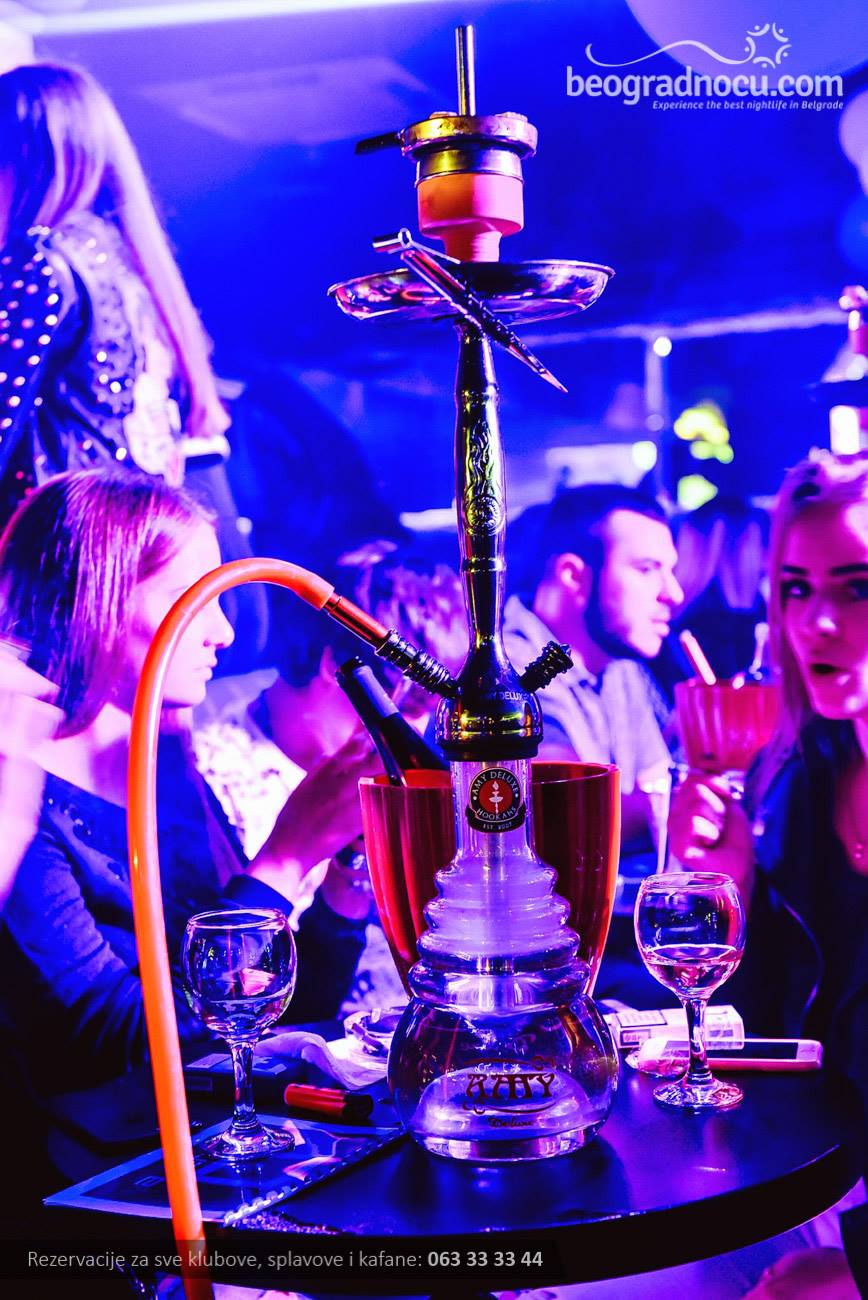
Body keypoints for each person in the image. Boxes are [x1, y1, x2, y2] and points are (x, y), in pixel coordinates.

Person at [0, 470, 371, 1098]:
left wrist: (345, 878)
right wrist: (284, 860)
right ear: (95, 601)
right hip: (94, 1154)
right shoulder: (18, 801)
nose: (224, 631)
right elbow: (115, 1044)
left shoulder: (168, 774)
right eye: (190, 598)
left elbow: (266, 1024)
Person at [669, 449, 868, 1299]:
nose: (816, 621)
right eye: (795, 588)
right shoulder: (794, 779)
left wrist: (854, 1270)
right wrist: (732, 892)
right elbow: (765, 1037)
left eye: (857, 589)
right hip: (816, 1177)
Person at [0, 61, 264, 670]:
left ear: (20, 156)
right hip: (136, 567)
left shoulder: (39, 262)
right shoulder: (130, 266)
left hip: (64, 571)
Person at [504, 484, 684, 847]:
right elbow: (566, 810)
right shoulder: (509, 675)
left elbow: (656, 782)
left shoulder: (619, 663)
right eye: (647, 569)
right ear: (573, 576)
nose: (674, 594)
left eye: (670, 571)